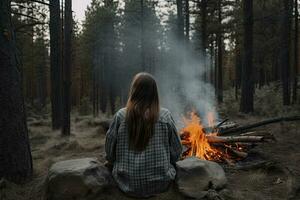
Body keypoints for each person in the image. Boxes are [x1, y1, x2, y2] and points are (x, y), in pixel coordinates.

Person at [105, 72, 182, 197]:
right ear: (154, 92)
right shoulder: (165, 115)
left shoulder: (120, 116)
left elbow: (109, 152)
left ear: (134, 90)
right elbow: (177, 151)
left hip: (126, 183)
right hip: (161, 182)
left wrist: (114, 161)